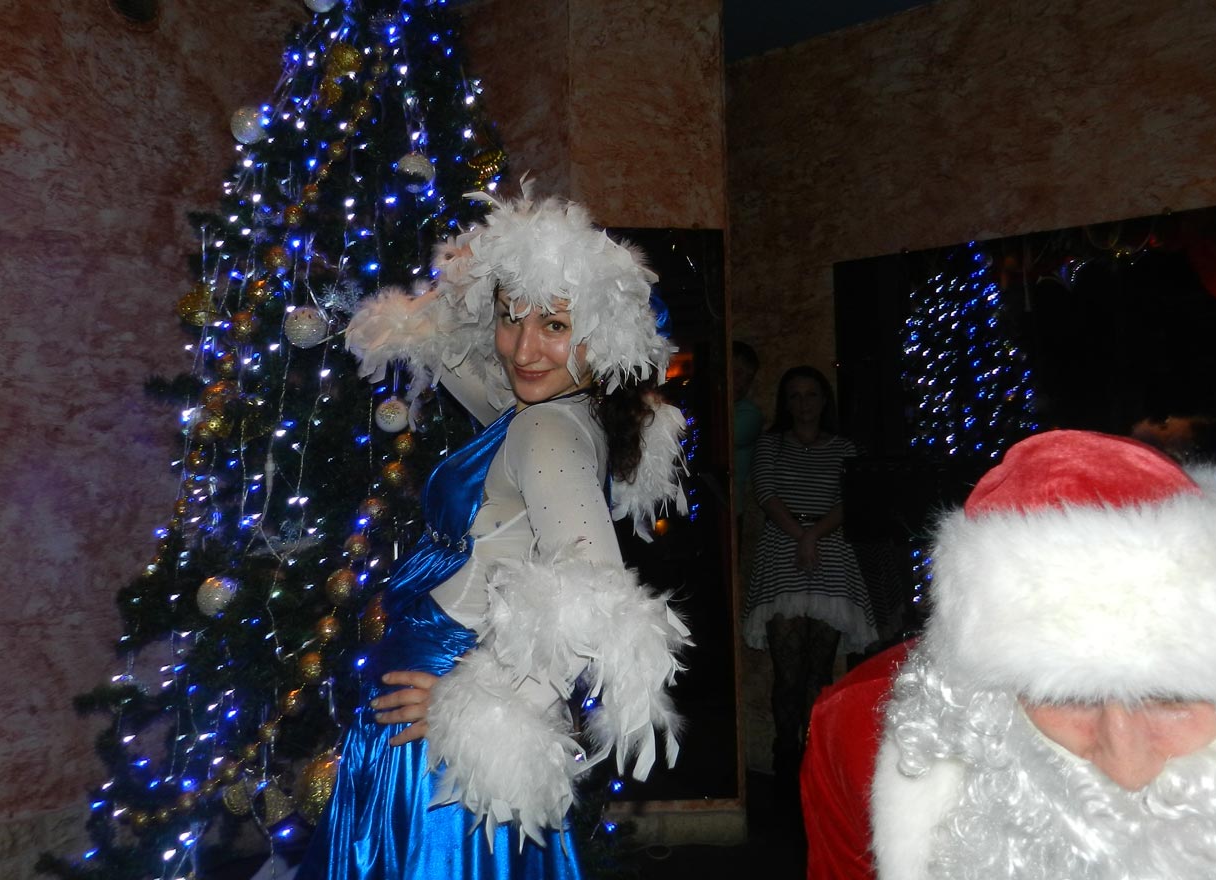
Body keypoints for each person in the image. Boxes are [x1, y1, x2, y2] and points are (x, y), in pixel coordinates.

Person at [293, 187, 693, 879]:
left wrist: (492, 706)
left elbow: (595, 594)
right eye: (509, 317)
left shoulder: (544, 430)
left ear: (602, 336)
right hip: (437, 701)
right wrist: (483, 267)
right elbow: (440, 342)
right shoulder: (551, 405)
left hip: (440, 719)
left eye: (555, 324)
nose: (523, 349)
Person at [869, 429, 1216, 879]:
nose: (1128, 770)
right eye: (1068, 698)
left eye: (1172, 699)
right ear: (989, 707)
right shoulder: (849, 740)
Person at [741, 365, 878, 793]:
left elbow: (851, 498)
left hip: (830, 551)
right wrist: (801, 536)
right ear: (786, 403)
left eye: (811, 395)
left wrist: (814, 535)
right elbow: (765, 493)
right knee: (788, 673)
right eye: (795, 396)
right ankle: (786, 758)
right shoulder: (771, 444)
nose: (804, 404)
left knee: (819, 672)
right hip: (783, 550)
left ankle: (816, 761)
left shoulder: (844, 447)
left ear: (824, 401)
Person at [730, 340, 763, 536]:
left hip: (732, 509)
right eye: (737, 373)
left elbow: (727, 436)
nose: (741, 384)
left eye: (748, 379)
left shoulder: (750, 414)